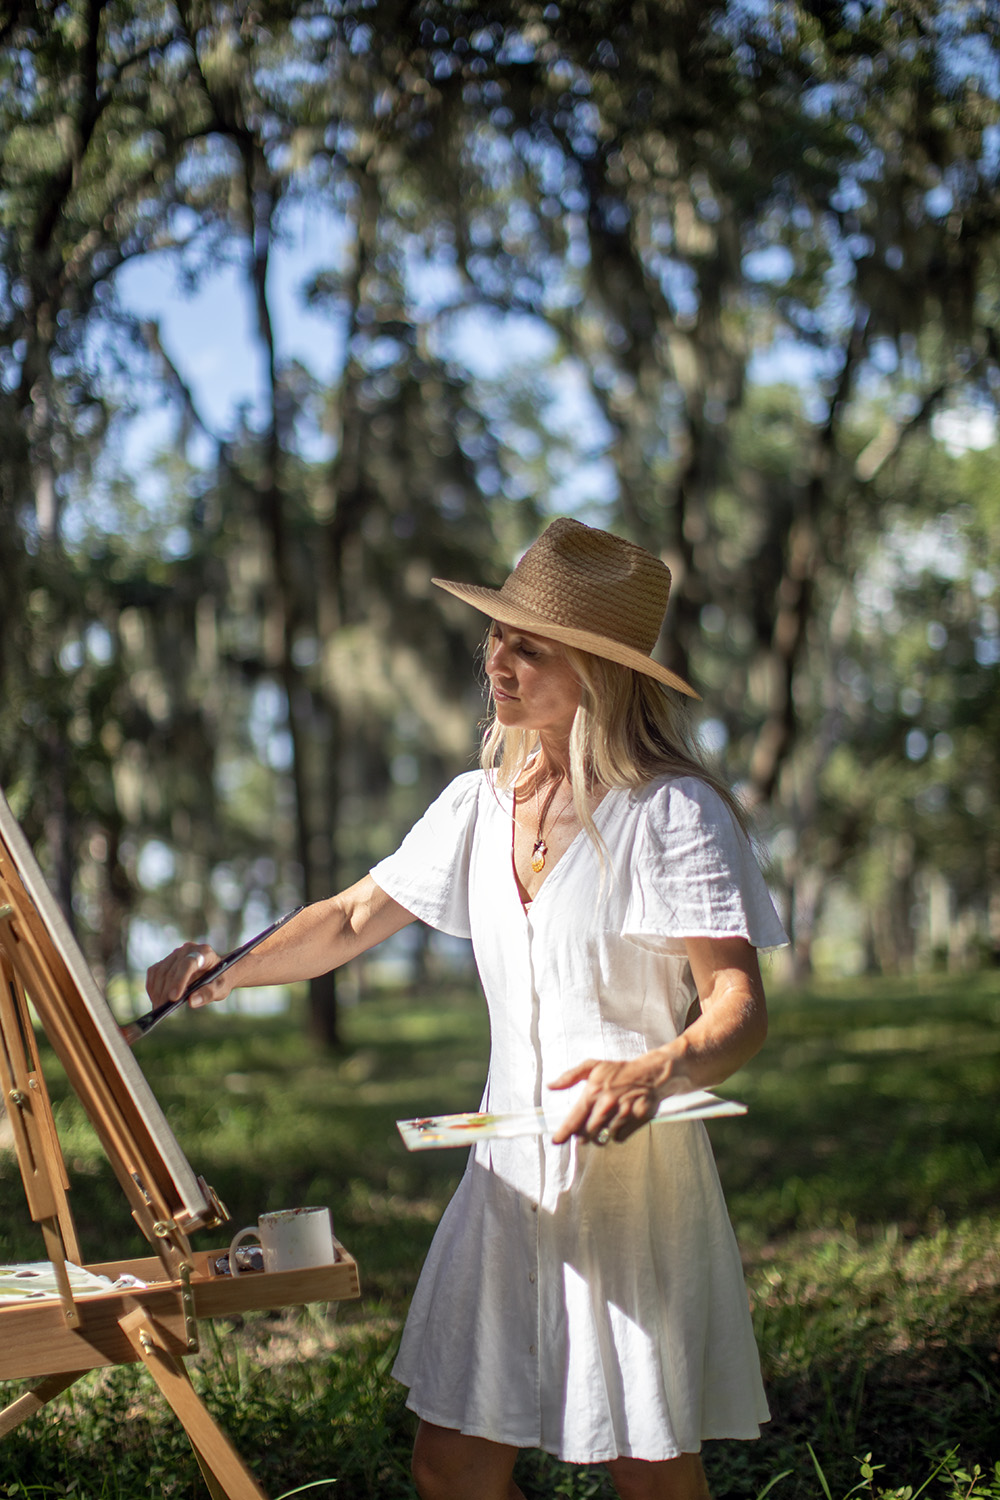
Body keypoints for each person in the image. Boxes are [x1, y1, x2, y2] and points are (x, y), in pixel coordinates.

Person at [146, 517, 788, 1500]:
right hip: (500, 1176)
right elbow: (353, 916)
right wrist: (222, 966)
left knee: (648, 1468)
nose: (500, 655)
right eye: (498, 632)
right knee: (449, 1463)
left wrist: (653, 1071)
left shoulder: (672, 814)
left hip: (631, 1187)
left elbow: (736, 1004)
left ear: (601, 672)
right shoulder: (475, 805)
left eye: (532, 645)